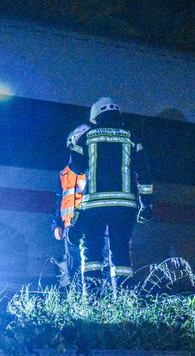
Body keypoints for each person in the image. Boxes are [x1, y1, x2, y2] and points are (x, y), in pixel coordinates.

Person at [68, 97, 154, 289]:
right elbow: (145, 173)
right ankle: (124, 298)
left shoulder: (87, 137)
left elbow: (76, 168)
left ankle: (92, 299)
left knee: (92, 252)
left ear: (95, 116)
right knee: (121, 250)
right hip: (124, 206)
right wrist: (146, 204)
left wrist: (74, 146)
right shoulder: (131, 137)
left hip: (94, 206)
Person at [51, 124, 89, 287]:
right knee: (74, 269)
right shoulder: (63, 174)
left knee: (91, 266)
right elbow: (59, 201)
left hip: (90, 226)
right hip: (69, 229)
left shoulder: (92, 170)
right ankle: (77, 301)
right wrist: (56, 224)